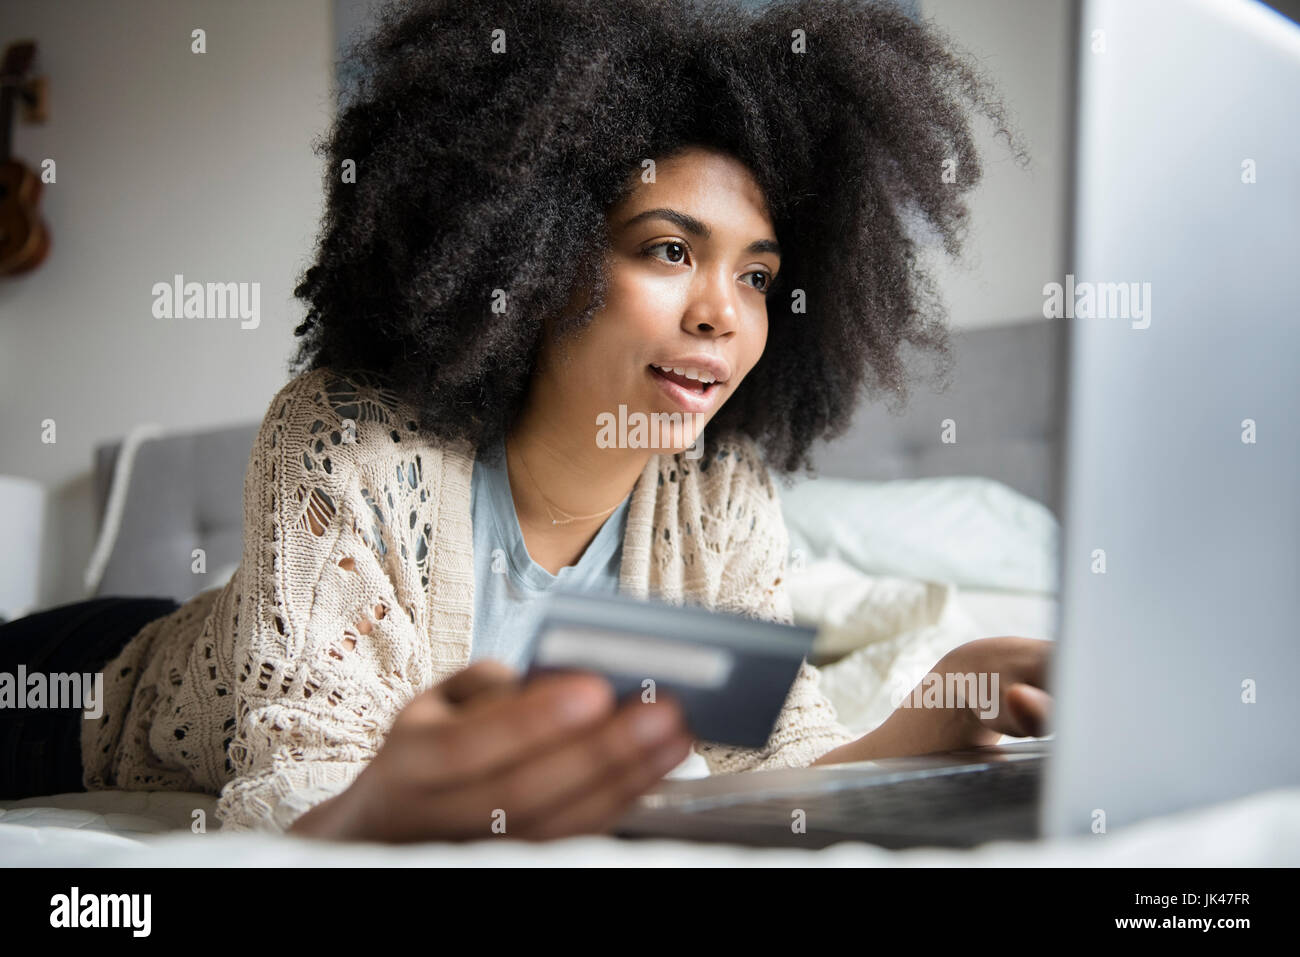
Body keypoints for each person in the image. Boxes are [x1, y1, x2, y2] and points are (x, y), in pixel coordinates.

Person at [0, 0, 1051, 842]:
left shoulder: (717, 502)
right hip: (77, 696)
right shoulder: (351, 440)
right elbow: (294, 789)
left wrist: (929, 720)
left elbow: (770, 762)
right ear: (537, 261)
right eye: (667, 250)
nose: (721, 314)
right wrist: (380, 803)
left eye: (759, 275)